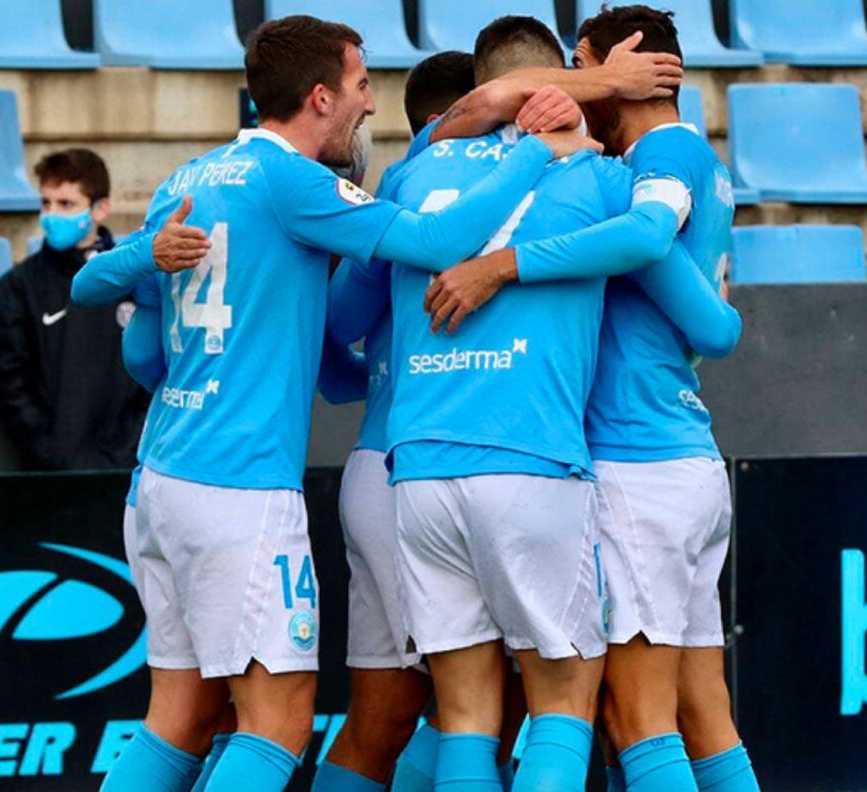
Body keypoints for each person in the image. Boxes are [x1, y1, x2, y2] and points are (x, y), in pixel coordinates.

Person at [75, 15, 595, 792]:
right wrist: (531, 152)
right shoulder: (295, 182)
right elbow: (436, 239)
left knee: (179, 717)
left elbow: (133, 342)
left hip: (161, 476)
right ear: (319, 96)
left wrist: (158, 278)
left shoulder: (189, 179)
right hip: (240, 489)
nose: (370, 107)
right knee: (278, 726)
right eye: (359, 87)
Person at [425, 6, 758, 791]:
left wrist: (502, 265)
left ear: (635, 64)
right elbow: (714, 325)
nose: (578, 84)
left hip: (635, 465)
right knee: (699, 710)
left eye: (586, 64)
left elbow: (646, 239)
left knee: (634, 719)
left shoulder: (662, 153)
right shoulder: (667, 160)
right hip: (676, 455)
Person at [380, 16, 653, 792]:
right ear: (560, 84)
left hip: (422, 468)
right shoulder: (598, 179)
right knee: (564, 699)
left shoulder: (414, 170)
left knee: (465, 713)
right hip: (530, 461)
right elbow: (659, 245)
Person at [312, 50, 477, 792]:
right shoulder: (478, 181)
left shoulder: (396, 186)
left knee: (384, 713)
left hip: (375, 471)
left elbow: (340, 318)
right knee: (476, 706)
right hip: (440, 472)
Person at [0, 148, 149, 471]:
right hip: (48, 477)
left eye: (66, 204)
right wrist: (48, 448)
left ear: (101, 209)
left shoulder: (136, 280)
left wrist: (127, 448)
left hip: (126, 471)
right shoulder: (19, 285)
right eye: (46, 203)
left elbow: (156, 369)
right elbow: (4, 376)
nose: (52, 214)